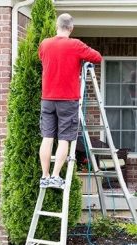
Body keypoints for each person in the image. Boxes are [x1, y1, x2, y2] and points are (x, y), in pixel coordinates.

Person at [38, 13, 102, 189]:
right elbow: (97, 57)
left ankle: (44, 176)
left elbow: (43, 59)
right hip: (67, 100)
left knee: (47, 137)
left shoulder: (45, 44)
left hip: (47, 99)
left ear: (56, 26)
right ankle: (56, 176)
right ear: (71, 28)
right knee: (65, 138)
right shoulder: (75, 45)